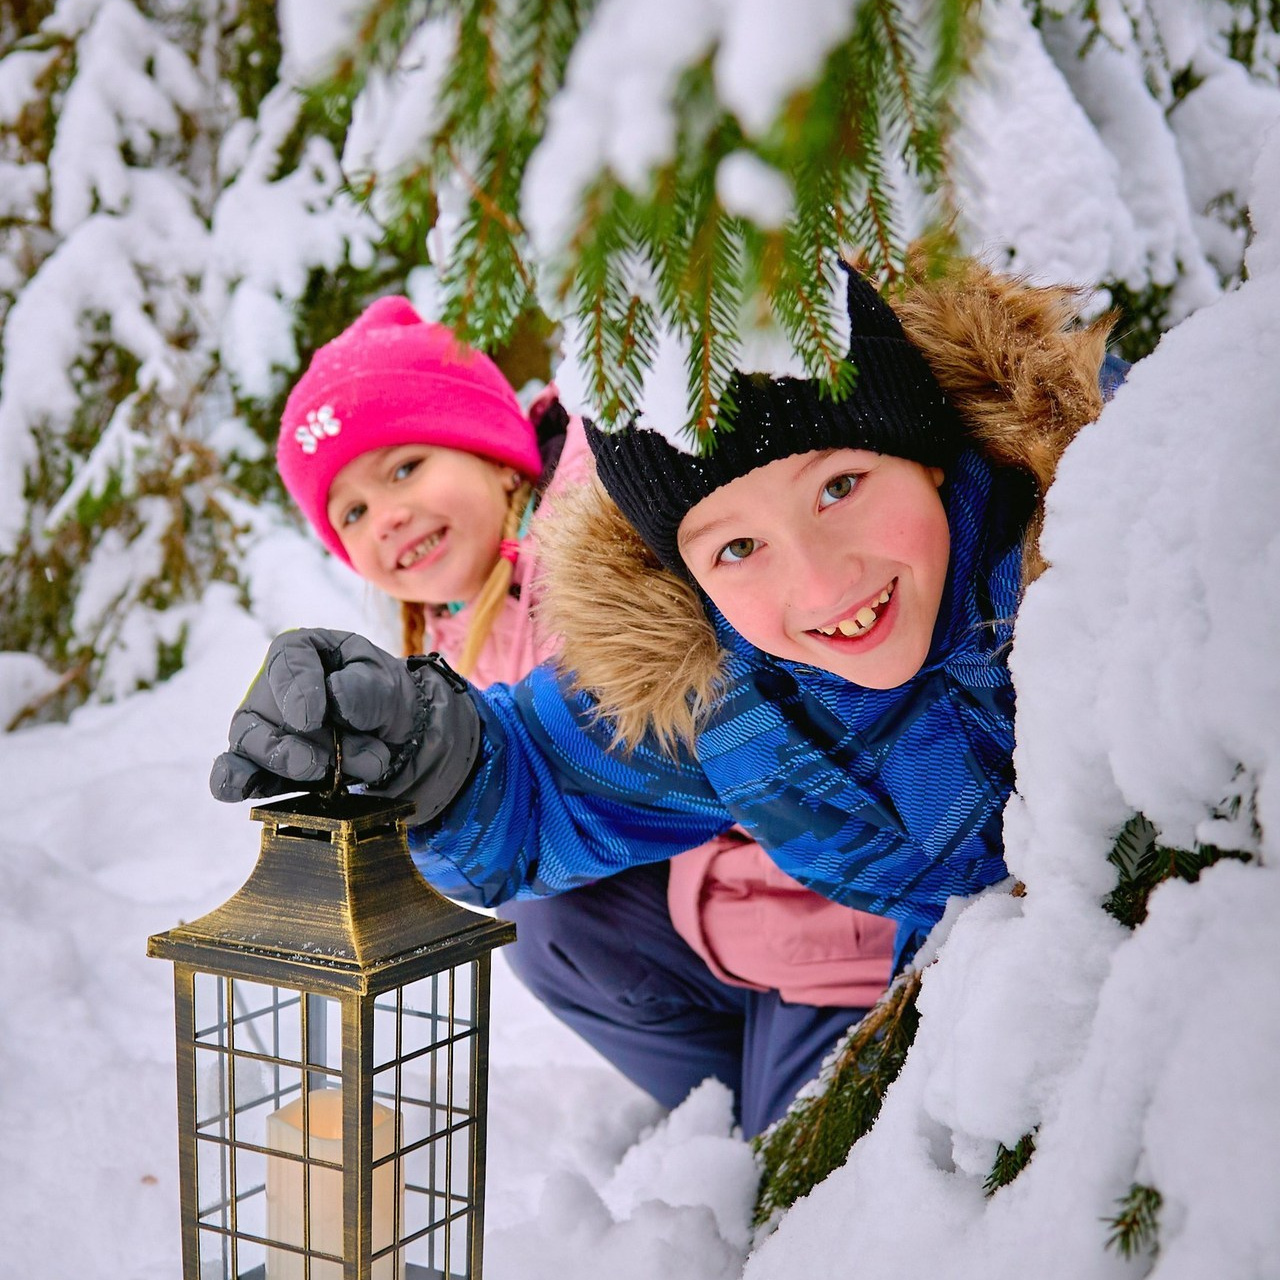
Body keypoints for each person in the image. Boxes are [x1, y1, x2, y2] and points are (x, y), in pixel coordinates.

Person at [213, 258, 1125, 1130]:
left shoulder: (1092, 556)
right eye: (736, 548)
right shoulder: (727, 679)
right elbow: (549, 777)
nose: (818, 583)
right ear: (686, 575)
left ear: (922, 453)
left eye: (839, 487)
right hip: (934, 983)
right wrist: (422, 752)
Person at [255, 294, 897, 1138]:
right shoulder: (464, 625)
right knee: (548, 928)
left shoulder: (608, 529)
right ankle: (736, 1107)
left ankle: (778, 1099)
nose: (389, 518)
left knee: (811, 1159)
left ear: (493, 453)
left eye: (405, 468)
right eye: (352, 514)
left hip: (837, 895)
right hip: (723, 903)